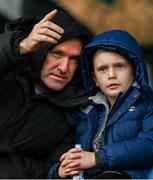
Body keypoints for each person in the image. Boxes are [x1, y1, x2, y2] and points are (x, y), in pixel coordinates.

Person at [0, 9, 92, 178]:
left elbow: (49, 171)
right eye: (57, 53)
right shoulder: (8, 72)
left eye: (74, 59)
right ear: (40, 49)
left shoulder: (69, 115)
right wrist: (21, 47)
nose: (64, 67)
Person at [50, 29, 153, 179]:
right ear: (95, 79)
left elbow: (149, 146)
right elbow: (61, 156)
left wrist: (97, 158)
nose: (111, 75)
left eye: (120, 66)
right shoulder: (84, 112)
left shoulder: (148, 105)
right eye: (102, 69)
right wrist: (59, 172)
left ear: (135, 70)